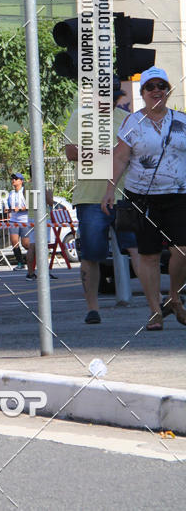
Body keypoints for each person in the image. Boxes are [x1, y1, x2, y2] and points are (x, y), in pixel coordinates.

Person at [102, 66, 186, 331]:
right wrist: (109, 190)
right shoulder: (132, 123)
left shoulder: (182, 120)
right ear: (143, 93)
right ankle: (154, 311)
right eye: (150, 87)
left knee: (182, 251)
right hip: (143, 198)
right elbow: (120, 158)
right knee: (148, 255)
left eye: (161, 86)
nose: (156, 91)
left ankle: (174, 298)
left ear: (168, 90)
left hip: (178, 194)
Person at [66, 75, 140, 323]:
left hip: (124, 195)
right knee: (91, 254)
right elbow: (71, 152)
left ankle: (154, 305)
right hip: (90, 197)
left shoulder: (127, 120)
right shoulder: (81, 116)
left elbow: (134, 155)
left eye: (113, 98)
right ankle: (92, 309)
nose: (108, 102)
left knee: (138, 249)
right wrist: (110, 153)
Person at [7, 174, 29, 270]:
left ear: (21, 181)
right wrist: (7, 209)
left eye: (16, 179)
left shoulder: (25, 192)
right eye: (12, 179)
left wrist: (19, 209)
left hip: (25, 220)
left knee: (25, 244)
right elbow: (9, 205)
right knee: (14, 242)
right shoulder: (11, 193)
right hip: (13, 220)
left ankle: (36, 258)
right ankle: (20, 263)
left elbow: (29, 206)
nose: (13, 180)